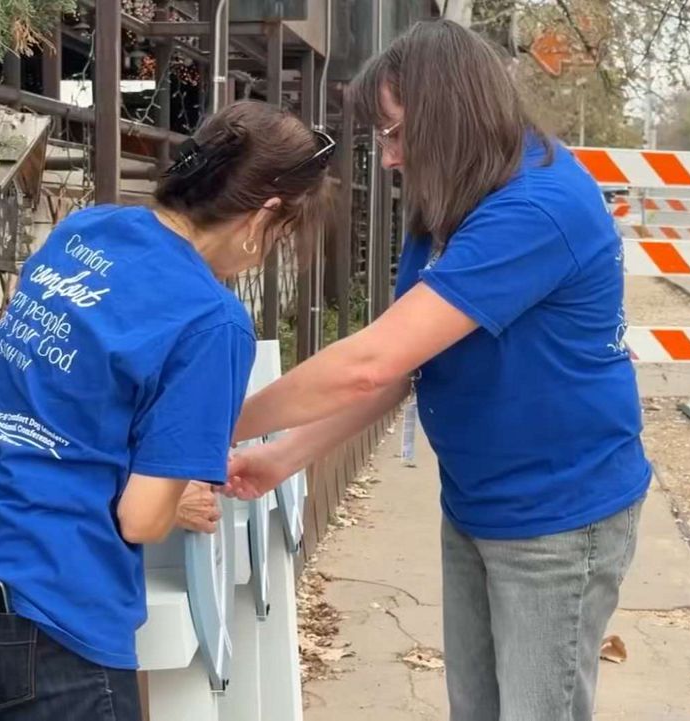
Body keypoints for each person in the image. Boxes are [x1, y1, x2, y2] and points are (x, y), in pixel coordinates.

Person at [224, 20, 650, 721]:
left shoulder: (537, 210)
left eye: (394, 133)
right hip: (481, 501)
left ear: (450, 116)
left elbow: (371, 362)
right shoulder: (451, 199)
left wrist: (217, 420)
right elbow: (400, 367)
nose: (388, 158)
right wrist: (283, 457)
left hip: (559, 517)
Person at [0, 100, 333, 720]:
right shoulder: (212, 321)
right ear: (265, 213)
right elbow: (141, 520)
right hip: (53, 609)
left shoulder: (87, 231)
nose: (270, 253)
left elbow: (52, 399)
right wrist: (170, 491)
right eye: (285, 233)